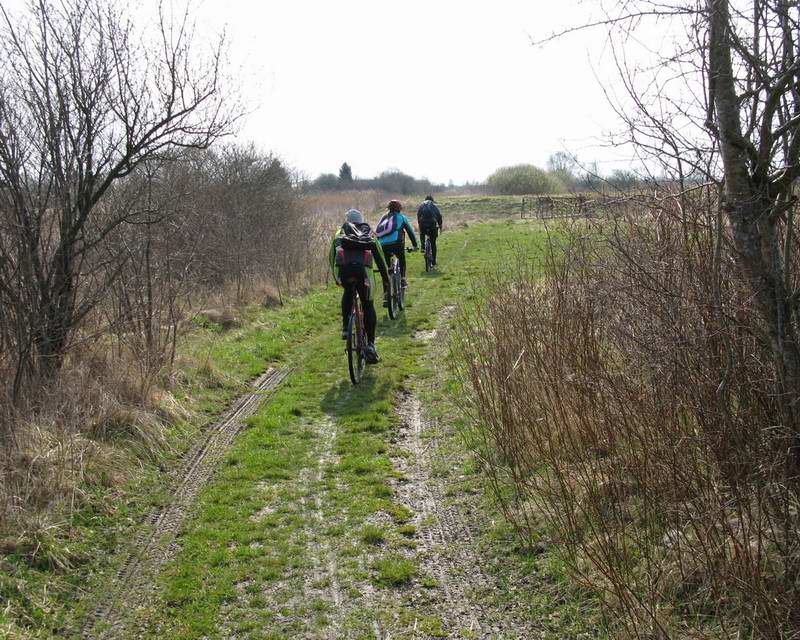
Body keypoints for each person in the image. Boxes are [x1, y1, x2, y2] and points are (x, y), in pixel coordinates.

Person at [329, 209, 389, 364]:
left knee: (348, 292)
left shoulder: (339, 233)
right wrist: (386, 280)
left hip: (344, 272)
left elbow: (331, 258)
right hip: (364, 275)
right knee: (368, 305)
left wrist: (337, 278)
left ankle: (344, 328)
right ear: (361, 220)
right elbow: (380, 259)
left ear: (347, 220)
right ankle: (371, 345)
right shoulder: (368, 233)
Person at [375, 200, 418, 289]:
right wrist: (415, 245)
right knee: (401, 258)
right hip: (397, 244)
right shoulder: (401, 217)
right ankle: (402, 279)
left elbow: (378, 232)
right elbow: (410, 232)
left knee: (388, 264)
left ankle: (389, 276)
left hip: (382, 245)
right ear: (399, 209)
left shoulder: (384, 218)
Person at [417, 195, 443, 266]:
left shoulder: (422, 205)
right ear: (432, 201)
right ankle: (434, 261)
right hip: (432, 225)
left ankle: (422, 247)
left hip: (423, 224)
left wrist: (420, 224)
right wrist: (440, 227)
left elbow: (418, 215)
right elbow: (439, 217)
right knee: (433, 243)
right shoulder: (434, 206)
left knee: (422, 233)